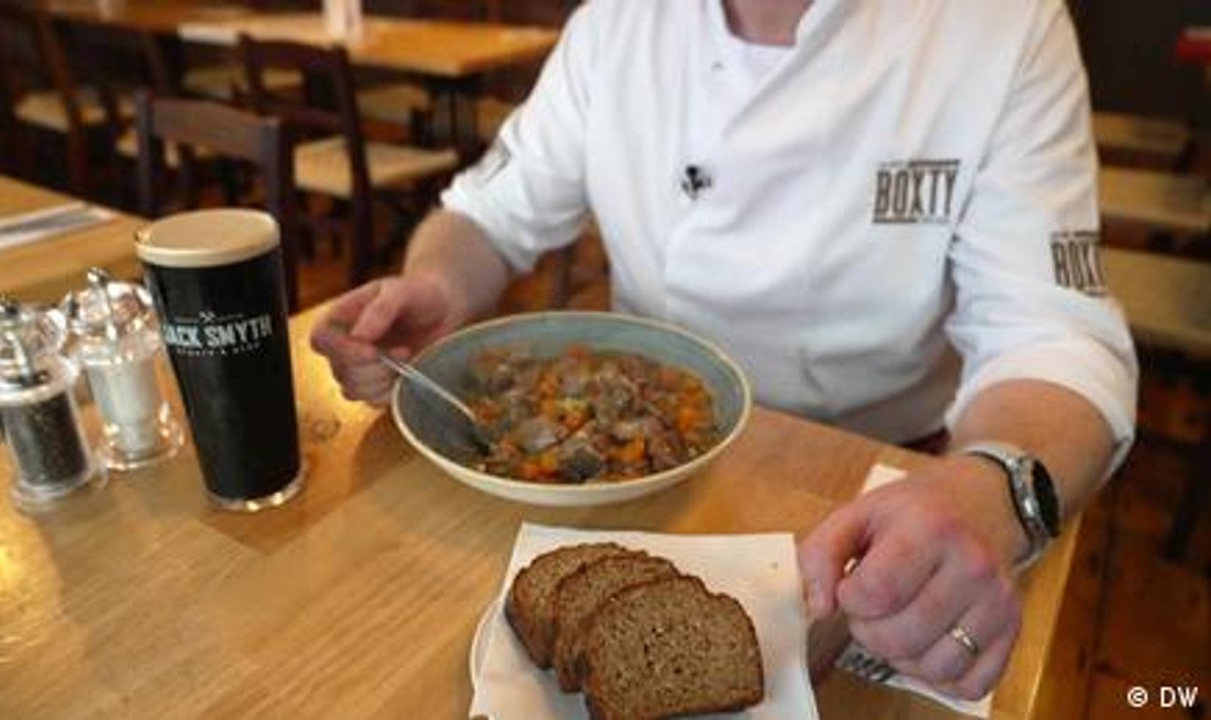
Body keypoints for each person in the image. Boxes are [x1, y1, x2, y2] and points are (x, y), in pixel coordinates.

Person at [311, 0, 1137, 700]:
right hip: (626, 496)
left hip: (869, 500)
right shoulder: (614, 21)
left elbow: (1054, 335)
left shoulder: (1005, 26)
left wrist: (990, 493)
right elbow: (488, 214)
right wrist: (438, 284)